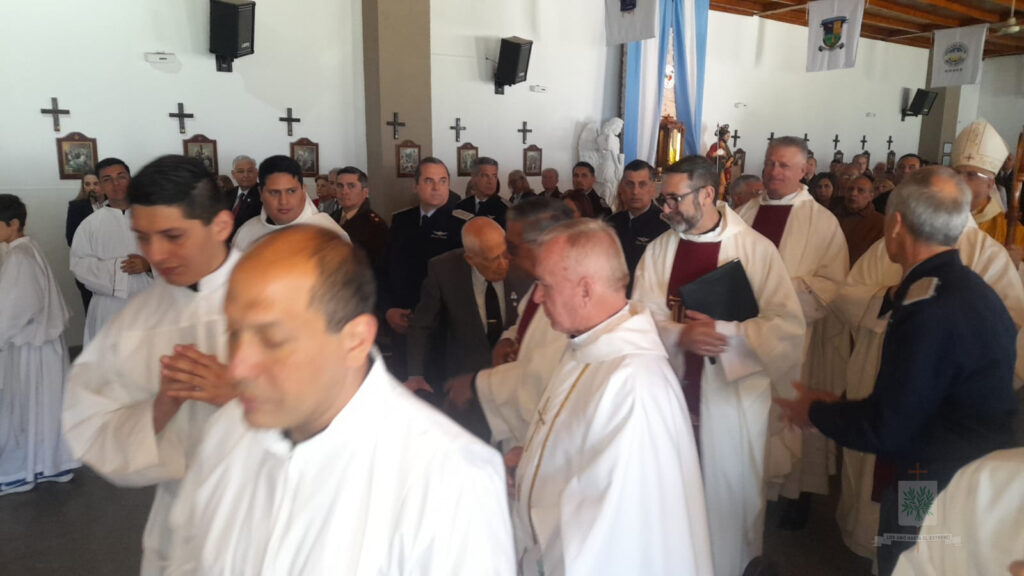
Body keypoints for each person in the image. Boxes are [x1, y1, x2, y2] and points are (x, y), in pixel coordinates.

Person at [165, 226, 515, 575]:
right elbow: (183, 560)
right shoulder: (227, 430)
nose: (238, 368)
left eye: (272, 340)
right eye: (234, 333)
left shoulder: (450, 479)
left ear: (355, 340)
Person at [778, 167, 1018, 576]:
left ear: (896, 224)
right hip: (961, 466)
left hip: (926, 476)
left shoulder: (927, 307)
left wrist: (816, 412)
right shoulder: (969, 289)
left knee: (906, 555)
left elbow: (890, 425)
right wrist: (839, 405)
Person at [63, 155, 242, 575]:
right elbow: (91, 421)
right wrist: (161, 407)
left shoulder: (279, 297)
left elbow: (350, 415)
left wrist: (239, 396)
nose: (155, 254)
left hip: (269, 515)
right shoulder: (141, 318)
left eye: (172, 235)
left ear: (221, 225)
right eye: (143, 238)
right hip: (183, 525)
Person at [632, 155, 805, 575]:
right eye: (663, 200)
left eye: (674, 199)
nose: (665, 209)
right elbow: (640, 318)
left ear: (707, 194)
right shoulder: (659, 250)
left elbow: (787, 327)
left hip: (731, 403)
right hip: (671, 400)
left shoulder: (755, 250)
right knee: (669, 501)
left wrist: (725, 333)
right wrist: (680, 336)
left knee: (728, 505)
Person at [515, 218, 713, 576]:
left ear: (585, 290)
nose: (538, 296)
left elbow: (606, 539)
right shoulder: (590, 347)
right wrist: (531, 466)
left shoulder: (632, 386)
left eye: (545, 284)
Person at [737, 137, 849, 525]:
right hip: (745, 337)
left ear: (804, 170)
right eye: (770, 163)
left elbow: (832, 286)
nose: (774, 172)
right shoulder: (744, 213)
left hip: (796, 341)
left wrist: (777, 294)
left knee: (788, 416)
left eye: (784, 165)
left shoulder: (822, 222)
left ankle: (792, 498)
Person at [444, 198, 574, 459]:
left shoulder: (570, 297)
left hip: (549, 438)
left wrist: (476, 384)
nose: (508, 256)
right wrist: (507, 338)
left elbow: (543, 374)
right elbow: (525, 323)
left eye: (512, 247)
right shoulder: (542, 283)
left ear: (545, 244)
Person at [405, 217, 530, 439]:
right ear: (470, 259)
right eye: (493, 259)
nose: (503, 264)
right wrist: (415, 373)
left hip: (514, 383)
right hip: (464, 383)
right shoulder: (444, 270)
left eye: (504, 254)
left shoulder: (523, 266)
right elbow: (422, 325)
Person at [0, 195, 78, 495]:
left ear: (13, 224)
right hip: (38, 345)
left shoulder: (20, 256)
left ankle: (26, 469)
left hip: (32, 348)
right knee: (42, 406)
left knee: (30, 407)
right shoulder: (24, 249)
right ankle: (50, 463)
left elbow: (15, 309)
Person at [385, 158, 470, 378]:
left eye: (442, 181)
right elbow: (386, 269)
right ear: (415, 185)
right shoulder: (401, 220)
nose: (436, 187)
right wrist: (389, 308)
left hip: (443, 326)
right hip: (403, 319)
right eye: (429, 181)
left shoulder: (462, 224)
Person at [892, 448, 1024, 576]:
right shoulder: (988, 474)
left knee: (906, 539)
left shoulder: (990, 475)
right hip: (929, 478)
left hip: (928, 476)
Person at [70, 158, 153, 346]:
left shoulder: (153, 218)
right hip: (109, 306)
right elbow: (79, 265)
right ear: (100, 186)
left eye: (121, 177)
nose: (116, 184)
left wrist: (149, 265)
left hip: (149, 301)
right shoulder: (90, 225)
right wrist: (117, 270)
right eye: (107, 179)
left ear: (130, 180)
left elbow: (175, 254)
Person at [231, 155, 349, 251]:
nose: (283, 201)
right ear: (261, 193)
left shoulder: (330, 235)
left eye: (291, 191)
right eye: (274, 192)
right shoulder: (247, 233)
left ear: (303, 190)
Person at [956, 119, 1024, 259]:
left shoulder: (1011, 230)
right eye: (956, 173)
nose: (960, 181)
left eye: (971, 175)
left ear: (990, 184)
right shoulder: (935, 218)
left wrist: (1018, 264)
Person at [607, 159, 668, 295]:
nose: (635, 191)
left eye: (642, 184)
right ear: (621, 188)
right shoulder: (611, 224)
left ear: (653, 189)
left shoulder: (665, 227)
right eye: (629, 184)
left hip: (649, 299)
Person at [334, 166, 388, 285]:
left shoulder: (376, 226)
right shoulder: (329, 218)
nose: (344, 191)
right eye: (340, 186)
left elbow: (377, 268)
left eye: (351, 186)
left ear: (365, 192)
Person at [66, 173, 105, 310]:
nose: (91, 188)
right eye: (87, 184)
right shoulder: (76, 207)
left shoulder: (113, 205)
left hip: (111, 264)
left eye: (95, 183)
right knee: (91, 308)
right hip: (89, 266)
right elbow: (70, 238)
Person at [837, 175, 885, 264]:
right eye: (850, 189)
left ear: (871, 196)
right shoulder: (833, 216)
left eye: (860, 190)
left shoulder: (880, 223)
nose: (853, 193)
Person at [456, 157, 507, 226]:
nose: (491, 182)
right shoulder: (461, 206)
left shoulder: (507, 209)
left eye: (494, 176)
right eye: (485, 176)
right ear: (474, 178)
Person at [225, 155, 262, 240]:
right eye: (241, 171)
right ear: (233, 174)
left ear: (256, 172)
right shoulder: (227, 194)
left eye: (250, 171)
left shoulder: (263, 194)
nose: (246, 175)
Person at [706, 124, 735, 191]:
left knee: (725, 185)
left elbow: (731, 156)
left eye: (729, 136)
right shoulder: (715, 145)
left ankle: (722, 196)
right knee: (722, 183)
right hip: (718, 168)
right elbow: (709, 155)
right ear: (722, 136)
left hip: (725, 168)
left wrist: (729, 161)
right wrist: (718, 153)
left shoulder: (726, 146)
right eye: (727, 136)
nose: (728, 138)